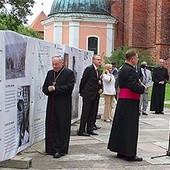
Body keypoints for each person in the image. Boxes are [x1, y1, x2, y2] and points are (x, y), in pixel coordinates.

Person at [108, 50, 146, 161]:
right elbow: (132, 86)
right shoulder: (130, 70)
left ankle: (121, 150)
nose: (138, 59)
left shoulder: (123, 69)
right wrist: (143, 88)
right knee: (130, 127)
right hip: (130, 102)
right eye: (137, 58)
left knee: (122, 126)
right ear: (132, 58)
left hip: (123, 101)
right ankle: (129, 154)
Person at [42, 56, 75, 158]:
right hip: (51, 104)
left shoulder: (69, 73)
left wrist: (55, 88)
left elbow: (69, 88)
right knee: (51, 125)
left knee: (61, 126)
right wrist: (48, 89)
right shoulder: (50, 73)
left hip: (63, 104)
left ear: (62, 63)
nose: (54, 66)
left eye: (56, 64)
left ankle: (59, 149)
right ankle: (50, 148)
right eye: (53, 64)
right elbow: (44, 88)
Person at [78, 54, 103, 136]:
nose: (99, 61)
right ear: (93, 60)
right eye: (97, 59)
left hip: (95, 94)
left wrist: (100, 87)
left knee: (92, 112)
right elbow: (83, 80)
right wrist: (81, 91)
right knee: (86, 112)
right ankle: (81, 130)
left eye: (100, 60)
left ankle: (90, 128)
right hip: (88, 94)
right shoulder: (89, 69)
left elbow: (98, 81)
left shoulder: (98, 70)